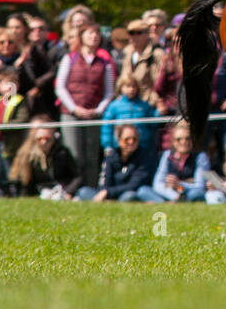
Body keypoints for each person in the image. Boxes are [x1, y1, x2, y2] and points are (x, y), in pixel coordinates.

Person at [54, 22, 115, 190]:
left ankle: (90, 190)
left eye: (96, 33)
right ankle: (72, 191)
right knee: (74, 155)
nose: (93, 36)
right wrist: (74, 108)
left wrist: (98, 110)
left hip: (94, 114)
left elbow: (109, 91)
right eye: (89, 33)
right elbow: (60, 86)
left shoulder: (105, 62)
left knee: (91, 155)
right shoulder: (70, 58)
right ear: (81, 37)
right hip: (70, 113)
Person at [8, 117, 83, 198]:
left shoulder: (63, 153)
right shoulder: (28, 156)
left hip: (64, 190)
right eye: (40, 139)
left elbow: (77, 176)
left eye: (47, 139)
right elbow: (24, 183)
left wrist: (69, 192)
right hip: (41, 193)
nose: (44, 142)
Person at [139, 121, 212, 202]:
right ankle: (170, 203)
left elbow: (200, 186)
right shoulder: (167, 155)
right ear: (173, 142)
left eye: (187, 138)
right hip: (170, 193)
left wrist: (179, 184)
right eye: (179, 139)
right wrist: (175, 196)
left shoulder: (200, 156)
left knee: (196, 194)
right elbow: (158, 183)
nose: (183, 142)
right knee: (143, 191)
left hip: (188, 192)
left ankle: (172, 202)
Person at [79, 125, 154, 202]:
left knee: (129, 196)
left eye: (134, 139)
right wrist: (104, 192)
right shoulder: (111, 157)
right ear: (119, 141)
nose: (131, 142)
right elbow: (104, 181)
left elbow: (133, 185)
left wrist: (108, 192)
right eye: (127, 139)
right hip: (107, 195)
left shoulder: (143, 158)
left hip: (125, 194)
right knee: (84, 191)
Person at [101, 74, 158, 160]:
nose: (131, 89)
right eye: (128, 86)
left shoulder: (144, 105)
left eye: (133, 86)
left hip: (142, 146)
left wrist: (159, 113)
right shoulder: (114, 106)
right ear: (121, 87)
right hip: (120, 147)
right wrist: (107, 145)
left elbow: (152, 122)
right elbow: (106, 127)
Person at [20, 17, 59, 120]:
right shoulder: (22, 48)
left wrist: (39, 84)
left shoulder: (55, 49)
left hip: (49, 97)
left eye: (41, 29)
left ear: (47, 32)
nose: (37, 32)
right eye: (33, 29)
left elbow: (55, 70)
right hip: (28, 98)